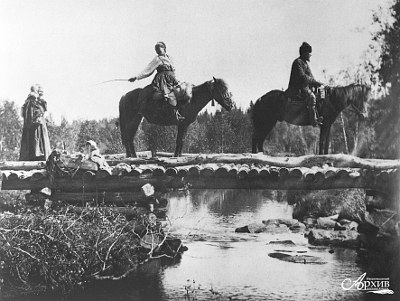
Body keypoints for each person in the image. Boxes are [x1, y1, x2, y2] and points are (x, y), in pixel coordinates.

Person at [129, 41, 184, 121]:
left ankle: (178, 113)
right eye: (156, 49)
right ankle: (166, 114)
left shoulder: (170, 58)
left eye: (158, 48)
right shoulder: (157, 59)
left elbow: (173, 70)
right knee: (165, 95)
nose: (157, 51)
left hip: (172, 79)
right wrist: (136, 77)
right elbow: (148, 70)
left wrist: (176, 79)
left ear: (164, 48)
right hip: (162, 80)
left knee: (180, 92)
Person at [286, 42, 324, 126]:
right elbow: (302, 77)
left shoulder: (305, 63)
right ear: (304, 53)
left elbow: (311, 76)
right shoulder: (298, 62)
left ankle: (317, 114)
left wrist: (317, 83)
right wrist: (314, 82)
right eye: (308, 53)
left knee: (320, 94)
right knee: (312, 97)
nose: (310, 55)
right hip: (297, 89)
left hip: (304, 87)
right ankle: (313, 121)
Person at [19, 84, 51, 161]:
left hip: (39, 127)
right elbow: (28, 116)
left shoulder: (39, 102)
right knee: (34, 144)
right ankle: (36, 155)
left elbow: (41, 111)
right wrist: (36, 120)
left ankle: (40, 154)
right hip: (34, 128)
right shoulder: (31, 102)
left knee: (40, 143)